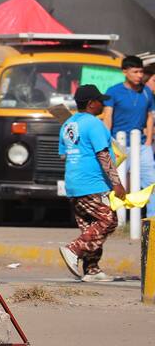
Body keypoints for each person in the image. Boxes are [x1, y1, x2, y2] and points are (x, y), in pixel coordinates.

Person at [58, 85, 126, 282]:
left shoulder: (68, 124)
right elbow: (103, 154)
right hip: (93, 184)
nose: (103, 105)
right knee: (108, 221)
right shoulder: (94, 124)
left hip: (73, 183)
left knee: (91, 227)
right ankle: (73, 249)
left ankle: (92, 269)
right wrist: (116, 183)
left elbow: (63, 155)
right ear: (91, 104)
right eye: (100, 101)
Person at [102, 54, 155, 220]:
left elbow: (150, 116)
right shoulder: (113, 91)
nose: (139, 75)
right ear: (125, 71)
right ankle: (114, 221)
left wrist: (149, 140)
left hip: (142, 145)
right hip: (119, 144)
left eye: (141, 72)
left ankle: (152, 221)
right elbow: (108, 117)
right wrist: (107, 141)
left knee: (151, 182)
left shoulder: (146, 92)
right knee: (116, 183)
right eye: (135, 72)